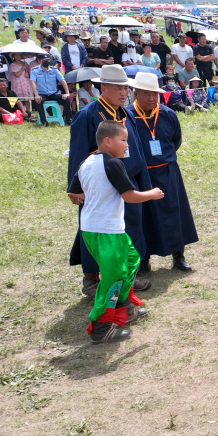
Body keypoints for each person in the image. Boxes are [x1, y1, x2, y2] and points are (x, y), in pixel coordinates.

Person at [66, 120, 163, 344]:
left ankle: (124, 309)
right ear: (107, 141)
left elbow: (74, 193)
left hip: (95, 228)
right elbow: (129, 196)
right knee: (112, 279)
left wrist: (94, 200)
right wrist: (152, 193)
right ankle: (102, 327)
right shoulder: (113, 164)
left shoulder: (87, 161)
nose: (127, 145)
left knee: (130, 262)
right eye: (123, 140)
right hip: (106, 231)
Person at [67, 64, 151, 298]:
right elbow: (78, 154)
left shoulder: (126, 114)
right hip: (100, 186)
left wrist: (143, 180)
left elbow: (137, 151)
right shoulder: (88, 115)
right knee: (97, 231)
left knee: (128, 230)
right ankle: (92, 280)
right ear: (103, 88)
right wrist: (75, 188)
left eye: (126, 88)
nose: (124, 93)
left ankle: (126, 279)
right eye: (118, 88)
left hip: (127, 182)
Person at [126, 72, 198, 274]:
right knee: (144, 217)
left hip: (167, 171)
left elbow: (175, 141)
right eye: (146, 94)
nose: (151, 99)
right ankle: (143, 260)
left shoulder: (167, 114)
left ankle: (179, 256)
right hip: (142, 174)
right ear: (136, 93)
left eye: (154, 95)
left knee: (174, 212)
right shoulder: (128, 116)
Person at [30, 53, 71, 126]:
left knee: (66, 99)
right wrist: (36, 95)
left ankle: (68, 120)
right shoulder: (35, 70)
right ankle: (44, 121)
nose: (47, 62)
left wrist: (67, 93)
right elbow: (32, 82)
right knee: (39, 101)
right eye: (44, 60)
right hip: (42, 94)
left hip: (53, 94)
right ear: (39, 61)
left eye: (48, 60)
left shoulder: (54, 70)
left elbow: (63, 80)